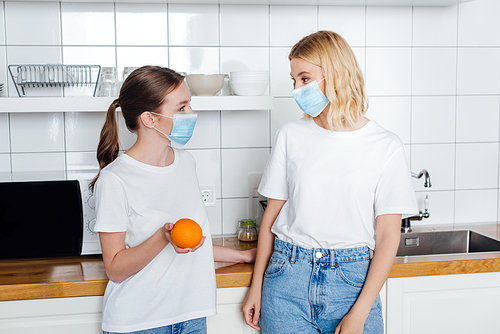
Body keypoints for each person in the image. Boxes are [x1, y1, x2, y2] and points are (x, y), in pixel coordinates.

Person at [241, 31, 418, 334]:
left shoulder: (385, 145)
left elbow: (389, 236)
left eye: (305, 78)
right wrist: (256, 286)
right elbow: (271, 217)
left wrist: (360, 314)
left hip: (352, 283)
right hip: (286, 279)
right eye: (294, 81)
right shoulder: (290, 136)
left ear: (335, 74)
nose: (297, 89)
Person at [89, 65, 256, 334]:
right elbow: (115, 269)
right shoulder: (115, 178)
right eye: (181, 108)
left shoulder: (186, 163)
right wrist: (161, 237)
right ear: (149, 119)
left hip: (191, 315)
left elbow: (190, 241)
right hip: (139, 322)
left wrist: (242, 256)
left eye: (189, 105)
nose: (192, 114)